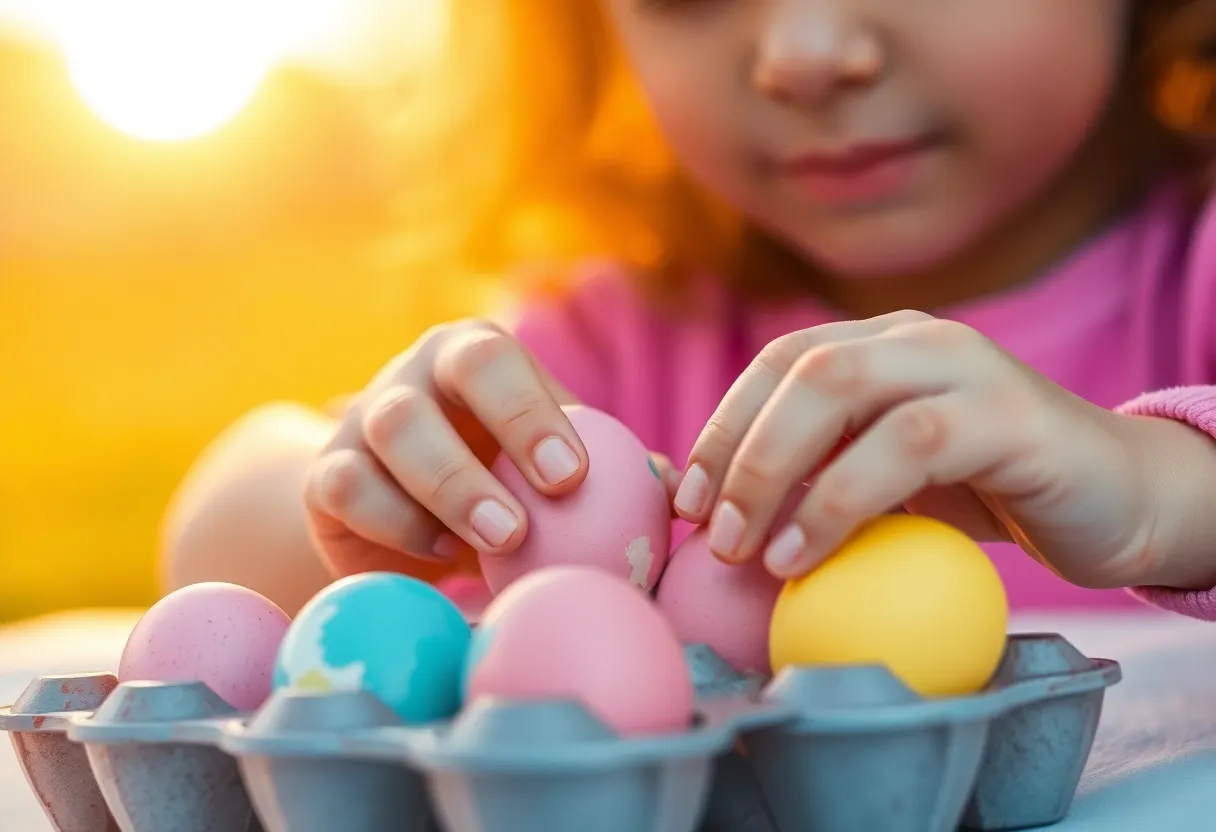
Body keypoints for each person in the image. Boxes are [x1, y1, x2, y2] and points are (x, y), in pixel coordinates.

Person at [161, 0, 1216, 619]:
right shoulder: (613, 338)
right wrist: (370, 505)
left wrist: (1163, 496)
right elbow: (210, 543)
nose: (801, 55)